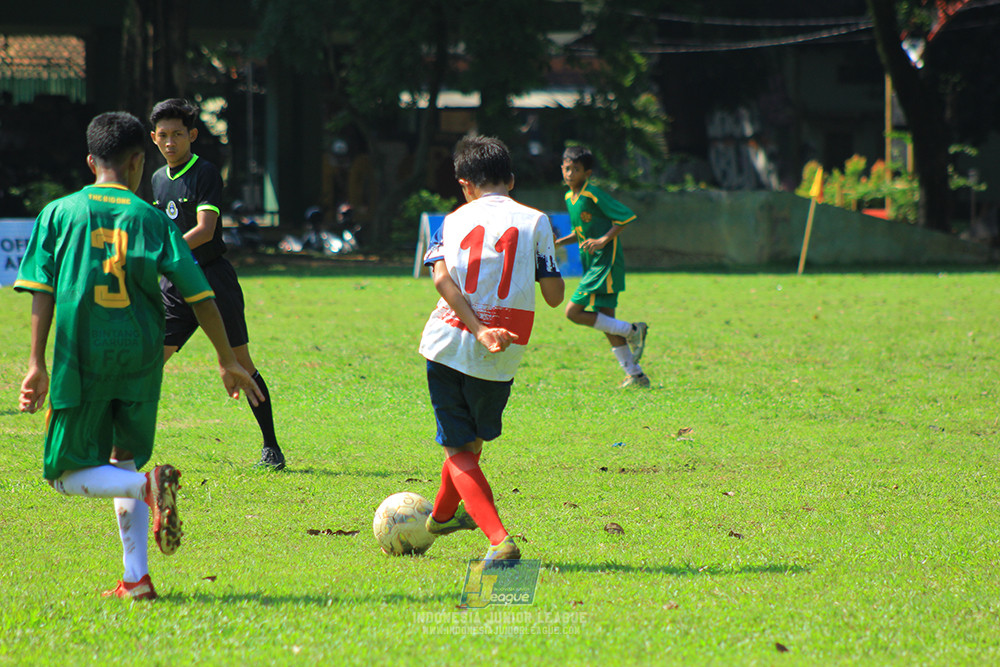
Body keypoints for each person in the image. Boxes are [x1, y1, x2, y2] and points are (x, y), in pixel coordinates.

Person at [15, 111, 264, 600]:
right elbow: (199, 293)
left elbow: (40, 290)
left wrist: (36, 363)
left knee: (64, 477)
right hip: (140, 359)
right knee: (120, 463)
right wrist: (225, 358)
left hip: (80, 358)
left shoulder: (60, 213)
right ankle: (137, 579)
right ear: (137, 161)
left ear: (91, 161)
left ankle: (149, 487)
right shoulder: (151, 219)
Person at [418, 135, 564, 567]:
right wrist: (546, 258)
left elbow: (442, 280)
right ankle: (443, 517)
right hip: (503, 351)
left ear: (465, 184)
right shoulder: (538, 221)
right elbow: (554, 296)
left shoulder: (452, 219)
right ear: (512, 180)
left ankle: (498, 540)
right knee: (467, 445)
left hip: (447, 342)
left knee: (463, 449)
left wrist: (477, 326)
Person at [149, 98, 286, 470]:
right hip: (175, 284)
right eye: (163, 136)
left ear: (192, 135)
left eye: (178, 134)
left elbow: (205, 230)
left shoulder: (205, 172)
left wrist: (164, 253)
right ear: (154, 138)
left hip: (212, 277)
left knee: (241, 362)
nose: (171, 142)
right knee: (149, 361)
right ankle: (123, 447)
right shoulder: (158, 179)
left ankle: (271, 447)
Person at [554, 145, 650, 388]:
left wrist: (603, 240)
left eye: (575, 169)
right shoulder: (569, 197)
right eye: (566, 168)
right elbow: (580, 232)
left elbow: (625, 216)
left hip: (605, 263)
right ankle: (635, 375)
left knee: (572, 312)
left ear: (587, 173)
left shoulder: (592, 194)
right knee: (606, 320)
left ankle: (633, 330)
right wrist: (558, 242)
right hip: (592, 264)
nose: (569, 174)